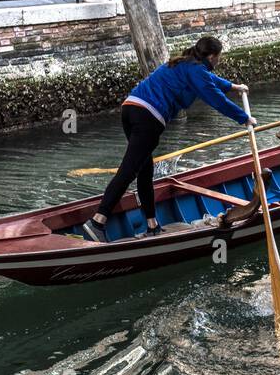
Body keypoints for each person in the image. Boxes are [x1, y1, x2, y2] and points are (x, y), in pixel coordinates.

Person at [82, 36, 255, 243]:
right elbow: (216, 100)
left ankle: (152, 225)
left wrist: (234, 87)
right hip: (148, 117)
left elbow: (211, 82)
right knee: (128, 170)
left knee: (144, 169)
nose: (218, 61)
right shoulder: (197, 70)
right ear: (211, 56)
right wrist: (244, 118)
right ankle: (98, 221)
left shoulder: (185, 62)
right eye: (218, 57)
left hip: (130, 109)